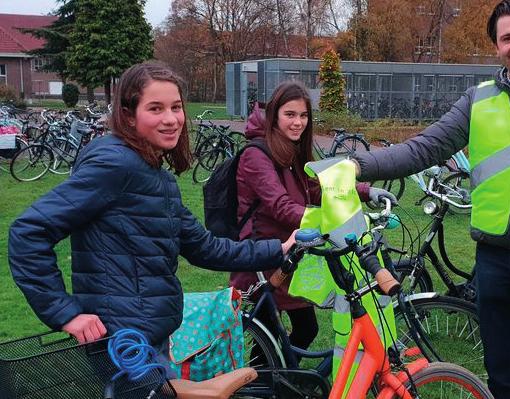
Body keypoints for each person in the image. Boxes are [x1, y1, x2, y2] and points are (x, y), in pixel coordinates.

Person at [350, 1, 510, 398]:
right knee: (501, 372)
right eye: (508, 37)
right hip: (492, 260)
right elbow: (423, 149)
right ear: (497, 45)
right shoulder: (478, 100)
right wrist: (356, 165)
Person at [8, 62, 296, 366]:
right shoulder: (116, 167)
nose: (171, 119)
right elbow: (28, 233)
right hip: (123, 342)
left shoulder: (154, 176)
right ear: (129, 115)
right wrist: (66, 313)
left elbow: (203, 247)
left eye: (176, 107)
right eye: (156, 109)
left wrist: (278, 249)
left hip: (146, 337)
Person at [230, 81, 395, 351]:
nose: (298, 123)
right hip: (263, 256)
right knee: (270, 338)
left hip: (292, 252)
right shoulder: (256, 155)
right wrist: (327, 222)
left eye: (303, 116)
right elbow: (280, 206)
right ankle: (264, 387)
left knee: (303, 329)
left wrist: (367, 191)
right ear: (274, 115)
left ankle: (280, 381)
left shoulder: (290, 148)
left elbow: (316, 189)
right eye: (290, 115)